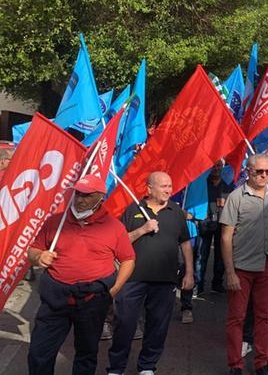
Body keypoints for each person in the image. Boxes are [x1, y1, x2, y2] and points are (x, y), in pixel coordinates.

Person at [27, 175, 136, 375]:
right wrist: (38, 256)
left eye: (87, 195)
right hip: (55, 299)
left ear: (100, 198)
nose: (80, 199)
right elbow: (33, 250)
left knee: (86, 354)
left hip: (92, 299)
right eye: (78, 193)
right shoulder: (55, 221)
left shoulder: (114, 227)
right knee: (39, 353)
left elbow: (128, 259)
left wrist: (115, 289)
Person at [107, 171, 193, 375]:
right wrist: (142, 230)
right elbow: (118, 242)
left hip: (165, 280)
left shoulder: (176, 212)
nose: (168, 190)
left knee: (158, 325)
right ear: (149, 189)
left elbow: (185, 243)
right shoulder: (133, 210)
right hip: (132, 279)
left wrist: (189, 272)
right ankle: (116, 368)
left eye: (170, 186)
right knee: (125, 324)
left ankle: (147, 366)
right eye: (163, 186)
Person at [221, 153, 268, 375]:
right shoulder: (236, 197)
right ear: (248, 171)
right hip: (242, 267)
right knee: (237, 317)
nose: (264, 176)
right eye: (259, 172)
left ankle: (262, 362)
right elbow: (226, 237)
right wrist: (230, 272)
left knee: (264, 316)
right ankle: (235, 364)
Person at [196, 160, 232, 295]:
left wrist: (226, 203)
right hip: (205, 224)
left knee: (221, 256)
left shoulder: (228, 186)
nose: (216, 169)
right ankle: (198, 285)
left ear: (222, 167)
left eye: (219, 166)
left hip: (222, 224)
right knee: (201, 256)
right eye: (214, 166)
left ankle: (217, 284)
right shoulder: (202, 185)